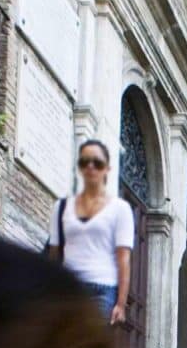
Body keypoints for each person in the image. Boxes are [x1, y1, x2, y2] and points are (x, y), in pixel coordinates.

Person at [48, 140, 134, 327]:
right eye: (84, 162)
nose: (90, 167)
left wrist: (121, 303)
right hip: (68, 287)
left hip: (102, 289)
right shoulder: (61, 207)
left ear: (107, 169)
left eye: (97, 163)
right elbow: (54, 254)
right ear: (79, 167)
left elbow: (123, 258)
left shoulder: (120, 209)